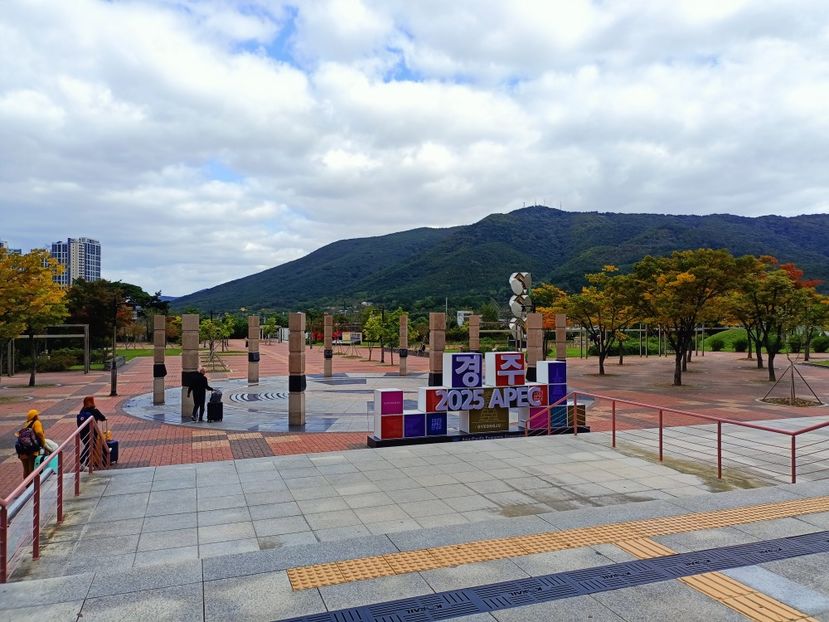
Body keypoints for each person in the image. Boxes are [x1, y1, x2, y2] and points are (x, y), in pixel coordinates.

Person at [16, 409, 47, 479]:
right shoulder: (36, 423)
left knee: (25, 469)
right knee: (31, 468)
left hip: (22, 449)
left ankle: (27, 486)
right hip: (31, 450)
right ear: (35, 416)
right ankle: (32, 486)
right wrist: (43, 443)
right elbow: (39, 432)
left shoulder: (26, 423)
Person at [77, 396, 107, 467]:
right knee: (90, 447)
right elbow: (102, 418)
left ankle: (87, 462)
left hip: (82, 433)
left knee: (88, 446)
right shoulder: (94, 410)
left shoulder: (82, 411)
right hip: (92, 432)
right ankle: (83, 461)